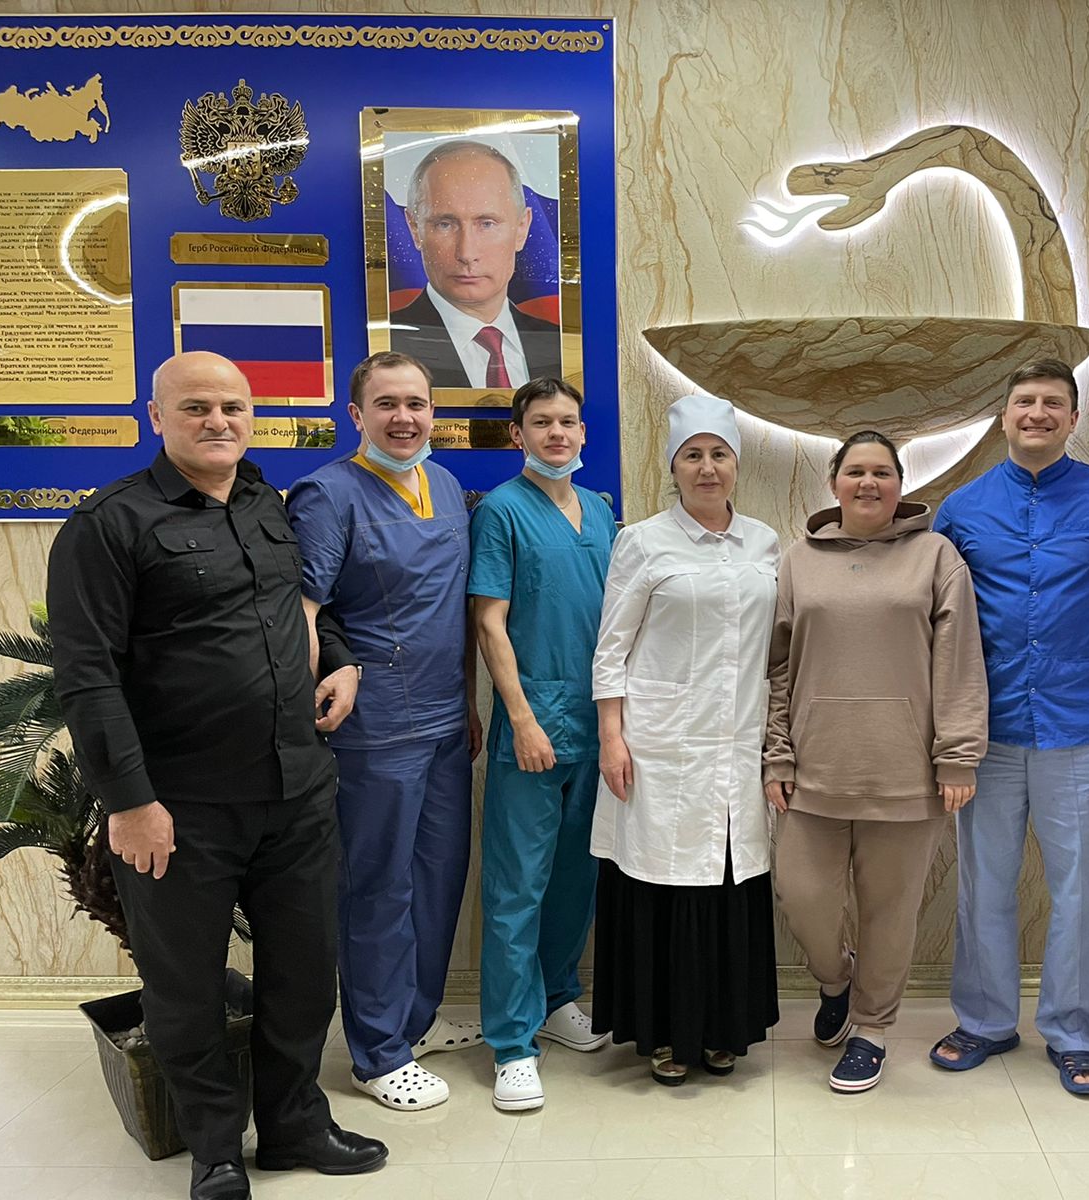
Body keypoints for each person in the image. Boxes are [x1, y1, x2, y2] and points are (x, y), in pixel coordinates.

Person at [47, 352, 386, 1200]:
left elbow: (296, 608)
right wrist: (129, 803)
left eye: (233, 406)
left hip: (296, 791)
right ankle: (215, 1149)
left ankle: (294, 1126)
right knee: (186, 986)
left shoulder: (266, 503)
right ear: (155, 416)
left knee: (303, 973)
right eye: (196, 406)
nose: (218, 421)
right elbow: (87, 677)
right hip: (180, 805)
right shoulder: (108, 525)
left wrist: (340, 658)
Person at [928, 359, 1089, 1095]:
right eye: (1024, 401)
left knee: (1080, 887)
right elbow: (939, 618)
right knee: (983, 882)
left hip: (1079, 724)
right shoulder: (961, 508)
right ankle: (985, 1020)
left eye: (1053, 402)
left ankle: (1077, 1033)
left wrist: (1087, 664)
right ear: (1003, 416)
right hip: (986, 730)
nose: (1037, 413)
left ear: (1073, 418)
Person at [286, 351, 484, 1111]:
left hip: (444, 716)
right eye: (387, 404)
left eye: (417, 403)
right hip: (374, 727)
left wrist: (468, 703)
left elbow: (453, 611)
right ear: (356, 415)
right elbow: (304, 613)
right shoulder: (328, 495)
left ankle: (415, 1020)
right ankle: (377, 1050)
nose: (404, 418)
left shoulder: (446, 486)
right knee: (378, 885)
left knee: (439, 876)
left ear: (434, 412)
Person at [767, 430, 988, 1094]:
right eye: (856, 471)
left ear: (900, 484)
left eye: (883, 472)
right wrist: (776, 755)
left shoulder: (936, 556)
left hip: (906, 771)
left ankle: (871, 1028)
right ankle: (836, 980)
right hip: (814, 768)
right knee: (802, 895)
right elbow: (777, 668)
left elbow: (958, 662)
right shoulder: (798, 561)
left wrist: (957, 756)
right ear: (834, 483)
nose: (869, 483)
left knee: (890, 910)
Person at [589, 394, 781, 1085]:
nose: (707, 467)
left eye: (719, 454)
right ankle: (666, 1034)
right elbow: (611, 649)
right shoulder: (642, 541)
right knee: (663, 883)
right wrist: (611, 737)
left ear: (736, 464)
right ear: (673, 467)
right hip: (660, 745)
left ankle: (723, 1029)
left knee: (729, 879)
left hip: (739, 741)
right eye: (692, 455)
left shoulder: (765, 542)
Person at [469, 375, 616, 1112]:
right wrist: (522, 719)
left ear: (583, 433)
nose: (557, 433)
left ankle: (558, 999)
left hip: (598, 723)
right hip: (534, 723)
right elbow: (488, 622)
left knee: (575, 878)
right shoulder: (502, 510)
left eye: (567, 422)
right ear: (517, 434)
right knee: (517, 886)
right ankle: (512, 1043)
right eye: (541, 422)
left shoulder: (601, 510)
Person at [391, 139, 562, 389]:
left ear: (522, 228)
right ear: (414, 229)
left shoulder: (559, 346)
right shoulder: (387, 348)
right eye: (445, 224)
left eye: (487, 224)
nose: (467, 253)